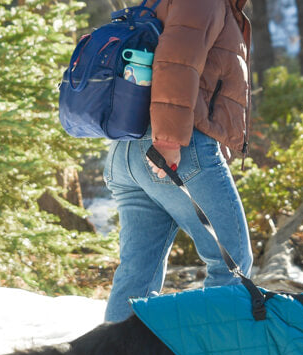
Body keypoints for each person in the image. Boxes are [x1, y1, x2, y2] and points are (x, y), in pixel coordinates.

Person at [103, 0, 253, 322]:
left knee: (136, 275)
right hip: (174, 148)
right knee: (232, 266)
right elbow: (176, 63)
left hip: (127, 149)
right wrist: (168, 140)